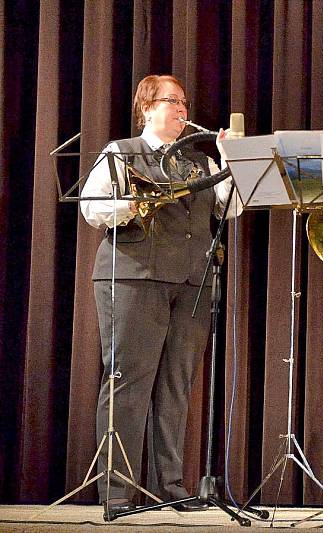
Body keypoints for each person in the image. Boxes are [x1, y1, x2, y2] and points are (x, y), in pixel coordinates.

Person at [80, 74, 239, 514]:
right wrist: (136, 203)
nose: (182, 109)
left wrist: (228, 157)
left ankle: (171, 486)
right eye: (171, 101)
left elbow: (234, 207)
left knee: (176, 387)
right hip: (134, 278)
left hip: (192, 282)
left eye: (184, 102)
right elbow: (92, 208)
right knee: (128, 382)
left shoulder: (201, 163)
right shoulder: (120, 152)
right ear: (146, 108)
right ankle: (116, 491)